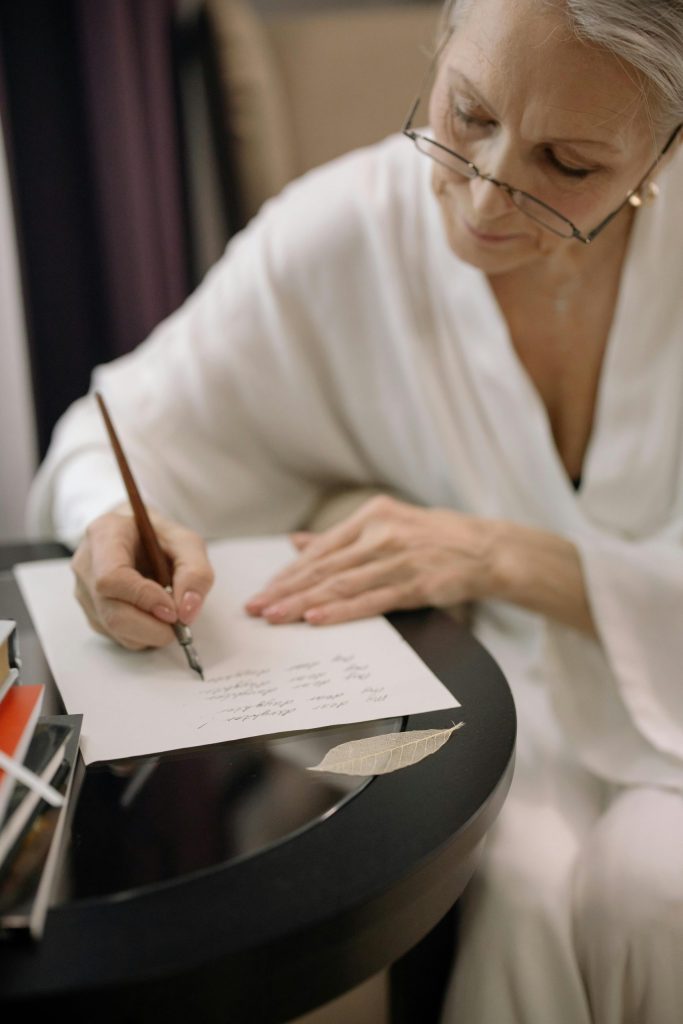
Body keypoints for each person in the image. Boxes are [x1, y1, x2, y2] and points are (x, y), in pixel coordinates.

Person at [27, 0, 683, 1020]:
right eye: (465, 113)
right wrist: (119, 522)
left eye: (566, 164)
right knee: (521, 879)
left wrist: (508, 556)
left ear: (659, 151)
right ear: (439, 52)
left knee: (656, 887)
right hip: (515, 710)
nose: (482, 196)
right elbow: (113, 433)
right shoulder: (346, 238)